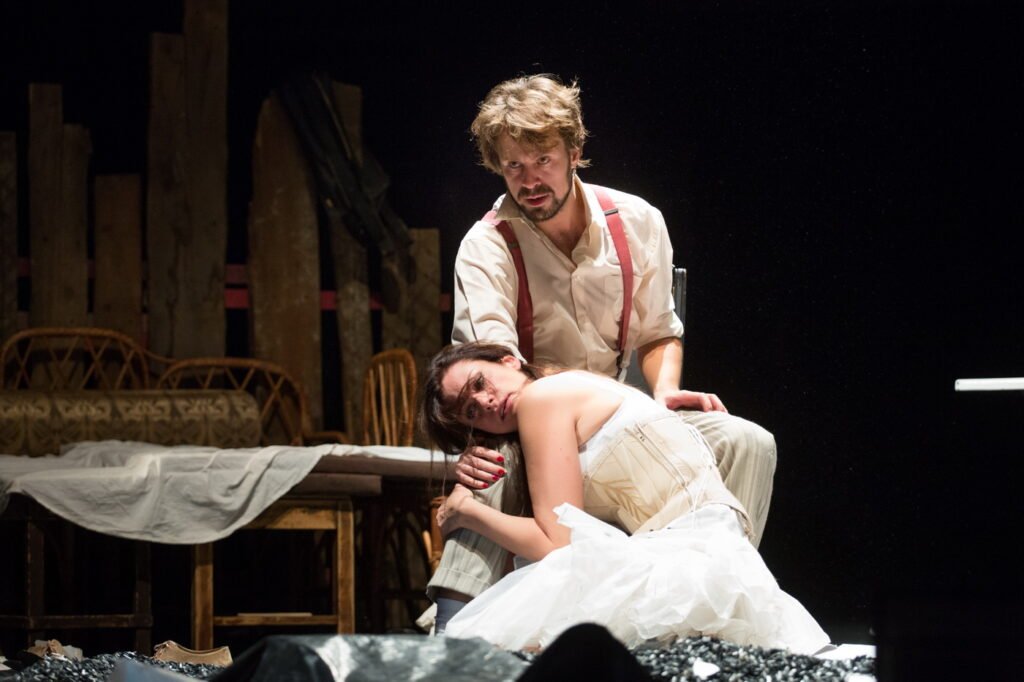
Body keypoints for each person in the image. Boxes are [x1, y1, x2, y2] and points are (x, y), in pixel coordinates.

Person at [426, 74, 777, 631]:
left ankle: (725, 605)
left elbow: (658, 331)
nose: (529, 180)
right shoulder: (487, 245)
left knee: (745, 440)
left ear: (575, 152)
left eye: (543, 160)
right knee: (495, 463)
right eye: (513, 166)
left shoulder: (637, 221)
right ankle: (455, 618)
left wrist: (664, 393)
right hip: (535, 422)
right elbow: (493, 366)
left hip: (618, 419)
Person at [421, 342, 828, 653]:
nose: (487, 402)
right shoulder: (578, 383)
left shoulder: (540, 399)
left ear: (509, 361)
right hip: (720, 561)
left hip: (682, 569)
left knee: (502, 641)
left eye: (481, 383)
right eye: (471, 411)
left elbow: (557, 544)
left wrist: (467, 512)